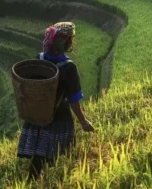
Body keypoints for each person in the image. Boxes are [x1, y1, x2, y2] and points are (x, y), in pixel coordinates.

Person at [17, 22, 95, 180]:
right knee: (56, 155)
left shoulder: (38, 59)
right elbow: (74, 100)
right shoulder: (68, 68)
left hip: (37, 115)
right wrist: (83, 121)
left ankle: (34, 180)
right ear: (67, 42)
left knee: (40, 151)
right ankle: (41, 183)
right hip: (58, 117)